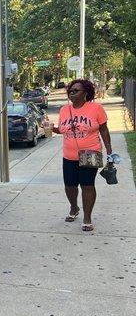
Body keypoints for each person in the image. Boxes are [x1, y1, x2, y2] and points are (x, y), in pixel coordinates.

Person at [51, 79, 112, 232]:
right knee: (69, 186)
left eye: (76, 90)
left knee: (87, 185)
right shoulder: (64, 110)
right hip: (69, 155)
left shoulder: (96, 108)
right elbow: (63, 129)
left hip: (91, 152)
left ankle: (87, 218)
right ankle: (74, 207)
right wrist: (52, 129)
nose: (72, 93)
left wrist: (109, 151)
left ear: (86, 93)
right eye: (70, 91)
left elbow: (104, 129)